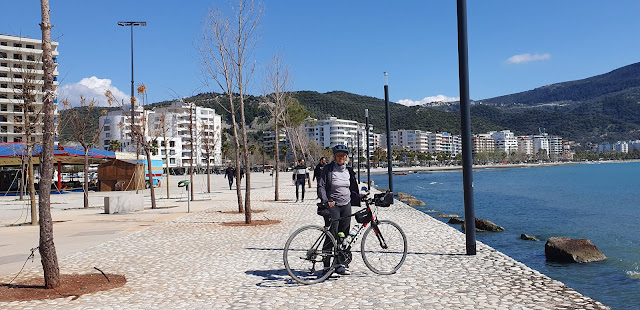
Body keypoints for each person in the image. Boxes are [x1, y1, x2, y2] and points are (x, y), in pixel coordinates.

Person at [317, 144, 361, 276]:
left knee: (344, 235)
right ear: (334, 157)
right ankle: (326, 265)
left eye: (343, 155)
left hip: (346, 204)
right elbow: (321, 186)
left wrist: (360, 197)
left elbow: (352, 188)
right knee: (332, 234)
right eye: (338, 155)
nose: (341, 157)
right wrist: (326, 201)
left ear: (346, 157)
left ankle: (339, 264)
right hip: (333, 205)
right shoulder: (328, 169)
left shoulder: (348, 170)